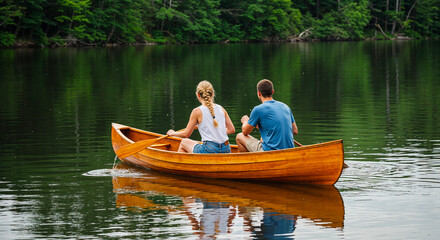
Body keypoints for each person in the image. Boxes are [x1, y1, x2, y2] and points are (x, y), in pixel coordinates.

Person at [167, 80, 235, 153]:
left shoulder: (197, 111)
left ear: (198, 95)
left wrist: (173, 133)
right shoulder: (221, 108)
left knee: (184, 142)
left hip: (209, 149)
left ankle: (180, 164)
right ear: (212, 94)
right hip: (226, 149)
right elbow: (231, 129)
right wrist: (217, 131)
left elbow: (186, 134)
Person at [236, 79, 298, 152]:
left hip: (270, 151)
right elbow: (295, 131)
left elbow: (245, 132)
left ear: (259, 93)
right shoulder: (285, 107)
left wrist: (245, 121)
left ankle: (249, 162)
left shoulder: (258, 109)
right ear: (272, 92)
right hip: (290, 150)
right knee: (263, 138)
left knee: (239, 136)